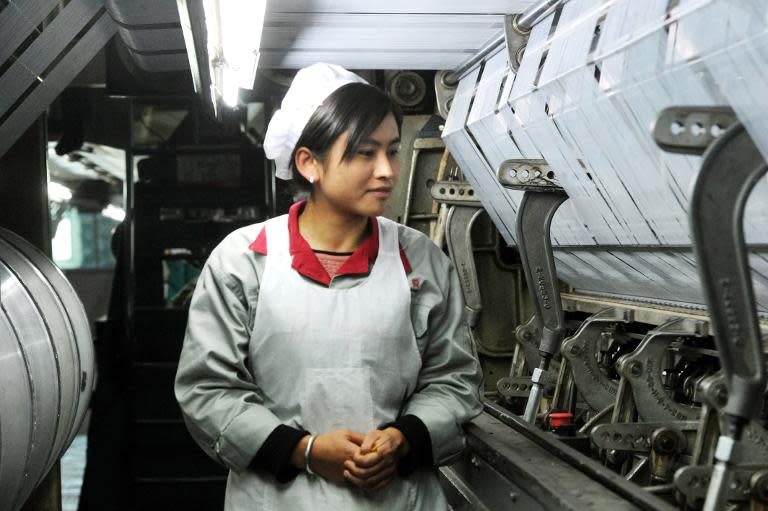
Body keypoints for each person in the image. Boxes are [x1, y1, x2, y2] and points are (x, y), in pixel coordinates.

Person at [174, 63, 482, 510]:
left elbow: (453, 380)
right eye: (364, 152)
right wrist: (307, 451)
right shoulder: (244, 261)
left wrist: (401, 440)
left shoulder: (420, 261)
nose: (388, 171)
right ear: (308, 163)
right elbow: (208, 391)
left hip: (398, 500)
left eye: (392, 151)